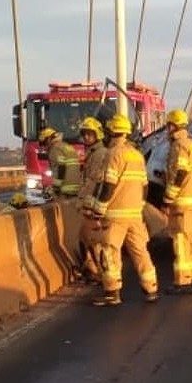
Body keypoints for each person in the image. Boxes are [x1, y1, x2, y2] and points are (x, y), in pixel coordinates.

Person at [89, 113, 159, 306]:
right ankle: (151, 288)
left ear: (111, 132)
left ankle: (112, 292)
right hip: (135, 214)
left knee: (109, 252)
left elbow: (108, 186)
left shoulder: (114, 154)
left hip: (115, 215)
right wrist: (140, 207)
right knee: (140, 252)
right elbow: (145, 186)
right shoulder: (137, 155)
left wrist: (98, 211)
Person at [162, 109, 192, 295]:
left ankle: (182, 281)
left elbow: (180, 172)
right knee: (191, 240)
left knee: (180, 241)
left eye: (168, 126)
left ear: (173, 126)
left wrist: (168, 197)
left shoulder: (179, 145)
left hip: (182, 202)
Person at [76, 116, 109, 283]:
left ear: (98, 135)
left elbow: (94, 182)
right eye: (85, 134)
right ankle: (94, 271)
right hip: (90, 203)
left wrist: (89, 206)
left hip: (93, 205)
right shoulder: (93, 153)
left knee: (93, 240)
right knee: (88, 239)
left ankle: (99, 273)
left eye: (90, 134)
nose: (86, 137)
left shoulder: (99, 154)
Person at [37, 127, 81, 198]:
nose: (44, 147)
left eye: (44, 143)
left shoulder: (55, 148)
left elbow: (60, 167)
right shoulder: (66, 146)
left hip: (65, 189)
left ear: (48, 139)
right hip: (76, 187)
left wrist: (55, 188)